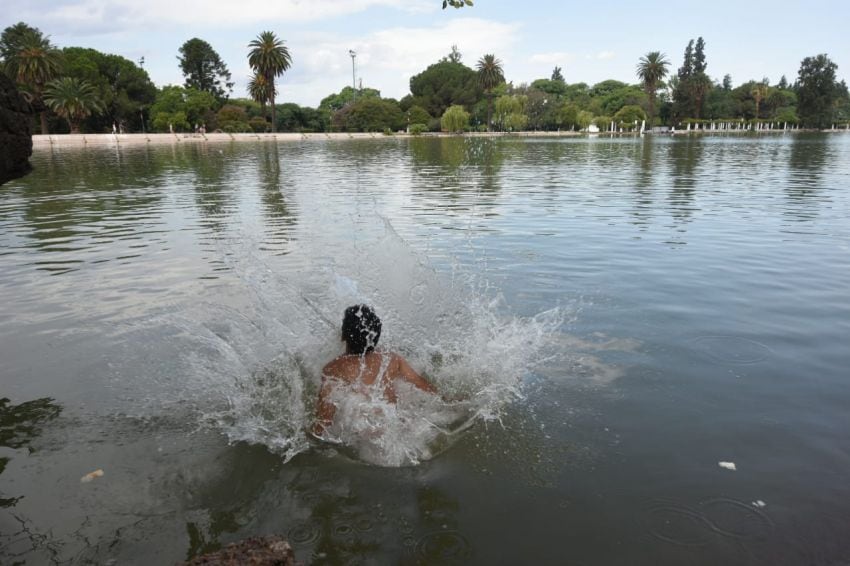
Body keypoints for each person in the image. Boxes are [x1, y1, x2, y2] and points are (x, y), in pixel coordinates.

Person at [312, 305, 436, 437]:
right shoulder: (391, 359)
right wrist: (445, 399)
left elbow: (326, 418)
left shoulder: (333, 368)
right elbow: (420, 383)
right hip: (396, 424)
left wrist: (313, 434)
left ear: (343, 336)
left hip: (365, 434)